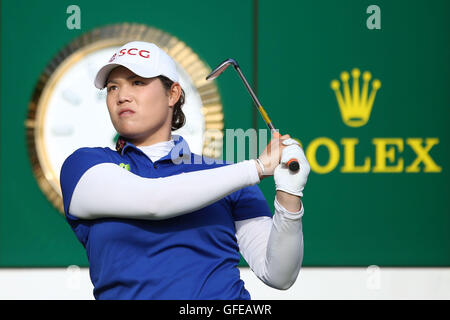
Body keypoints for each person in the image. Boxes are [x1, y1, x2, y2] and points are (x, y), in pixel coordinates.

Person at [59, 41, 311, 300]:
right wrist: (256, 168)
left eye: (137, 82)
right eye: (113, 87)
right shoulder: (84, 165)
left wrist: (289, 192)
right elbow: (153, 201)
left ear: (173, 94)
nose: (122, 95)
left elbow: (279, 275)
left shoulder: (226, 177)